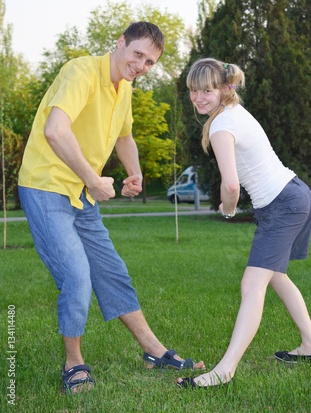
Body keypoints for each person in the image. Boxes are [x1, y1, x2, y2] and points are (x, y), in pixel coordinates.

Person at [18, 22, 204, 394]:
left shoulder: (126, 89)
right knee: (76, 275)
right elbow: (56, 130)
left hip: (81, 194)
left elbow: (124, 136)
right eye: (137, 54)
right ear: (119, 44)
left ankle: (154, 351)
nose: (141, 65)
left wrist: (134, 172)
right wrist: (91, 177)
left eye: (150, 62)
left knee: (112, 272)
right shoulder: (81, 71)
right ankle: (73, 364)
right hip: (45, 186)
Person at [178, 58, 311, 390]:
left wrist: (227, 210)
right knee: (278, 277)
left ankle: (224, 370)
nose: (198, 98)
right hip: (295, 194)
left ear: (223, 89)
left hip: (283, 204)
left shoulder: (221, 125)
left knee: (251, 285)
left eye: (206, 91)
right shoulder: (233, 113)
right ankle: (310, 347)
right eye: (193, 91)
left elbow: (231, 186)